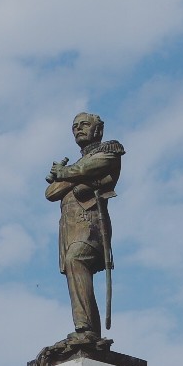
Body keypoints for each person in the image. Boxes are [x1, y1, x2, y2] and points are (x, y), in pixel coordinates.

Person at [46, 112, 123, 342]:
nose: (79, 129)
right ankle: (89, 331)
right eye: (75, 126)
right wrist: (76, 175)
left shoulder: (110, 150)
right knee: (76, 272)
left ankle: (85, 328)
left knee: (76, 259)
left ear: (97, 130)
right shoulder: (79, 164)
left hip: (91, 224)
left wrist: (66, 174)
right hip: (70, 228)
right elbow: (51, 192)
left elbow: (91, 168)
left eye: (84, 125)